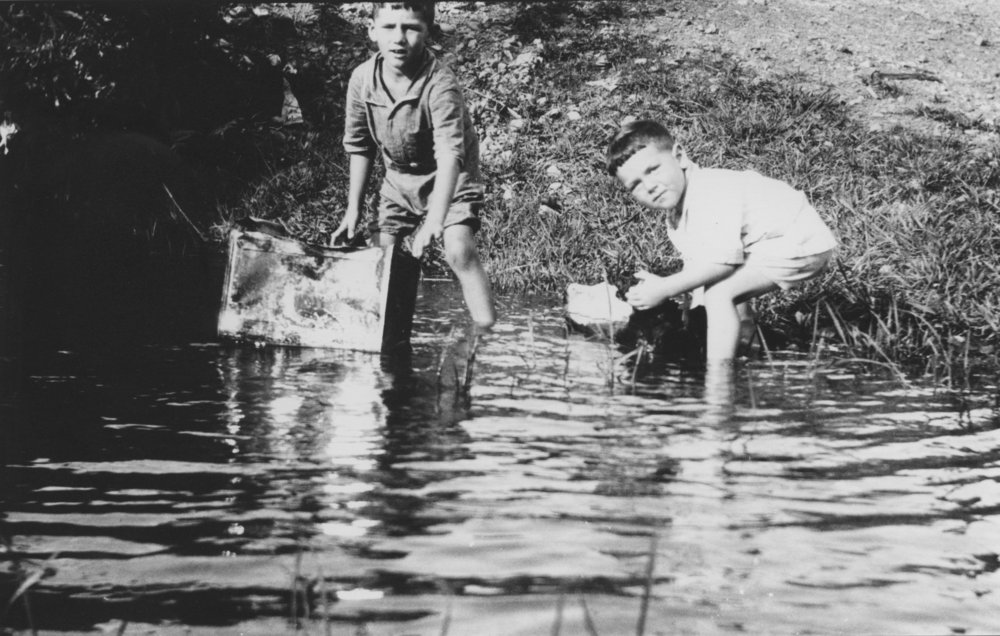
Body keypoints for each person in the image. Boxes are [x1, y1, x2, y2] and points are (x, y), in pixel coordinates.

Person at [607, 119, 837, 361]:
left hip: (798, 242)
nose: (650, 186)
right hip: (773, 241)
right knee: (713, 293)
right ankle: (748, 345)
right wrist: (688, 310)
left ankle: (718, 381)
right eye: (635, 185)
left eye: (653, 170)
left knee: (719, 293)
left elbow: (721, 265)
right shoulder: (679, 210)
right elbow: (698, 265)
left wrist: (665, 288)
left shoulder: (708, 193)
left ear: (680, 156)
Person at [330, 1, 495, 330]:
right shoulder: (362, 80)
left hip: (452, 179)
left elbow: (450, 153)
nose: (399, 38)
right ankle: (385, 332)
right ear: (372, 30)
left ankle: (486, 329)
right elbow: (360, 146)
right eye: (390, 27)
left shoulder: (440, 85)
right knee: (381, 257)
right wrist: (354, 209)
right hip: (398, 181)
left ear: (428, 32)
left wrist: (436, 217)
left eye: (411, 28)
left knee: (458, 249)